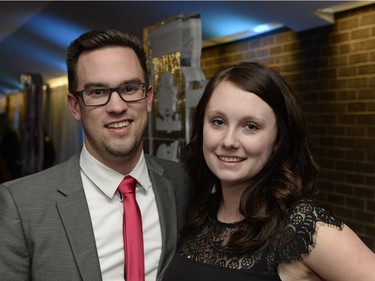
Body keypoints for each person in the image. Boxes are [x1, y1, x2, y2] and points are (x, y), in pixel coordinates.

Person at [0, 29, 188, 281]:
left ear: (149, 98)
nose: (117, 106)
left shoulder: (183, 183)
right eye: (97, 92)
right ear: (75, 106)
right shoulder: (21, 205)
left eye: (130, 88)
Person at [162, 62, 375, 281]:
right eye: (218, 122)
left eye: (251, 126)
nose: (229, 141)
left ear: (277, 140)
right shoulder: (198, 214)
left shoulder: (301, 225)